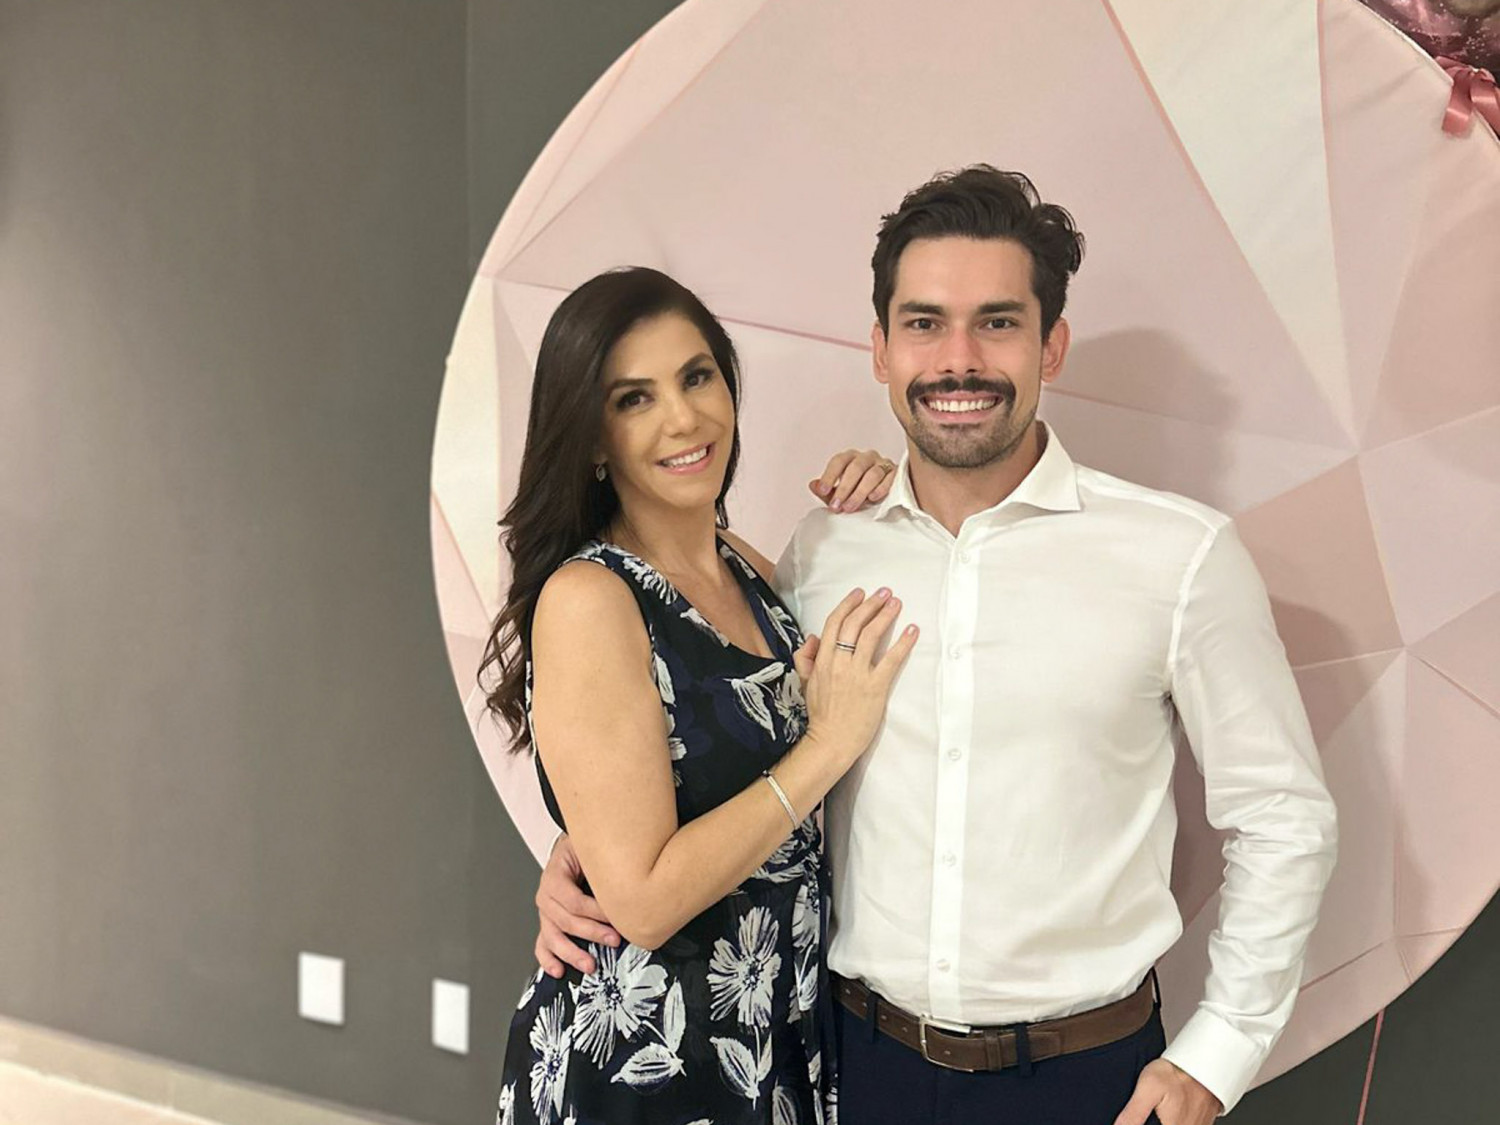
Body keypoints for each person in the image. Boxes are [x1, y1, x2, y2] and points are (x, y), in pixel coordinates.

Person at [532, 168, 1339, 1125]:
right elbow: (714, 736)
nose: (959, 360)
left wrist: (1219, 1050)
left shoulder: (1182, 556)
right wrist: (587, 853)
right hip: (848, 1067)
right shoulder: (824, 551)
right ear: (880, 350)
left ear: (1052, 344)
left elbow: (1284, 816)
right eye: (924, 323)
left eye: (997, 322)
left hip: (1089, 1080)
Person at [481, 265, 918, 1125]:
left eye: (696, 376)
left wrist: (883, 494)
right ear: (593, 438)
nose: (683, 418)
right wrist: (826, 746)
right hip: (648, 1060)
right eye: (634, 398)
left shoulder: (742, 566)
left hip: (771, 1031)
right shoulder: (591, 598)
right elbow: (643, 902)